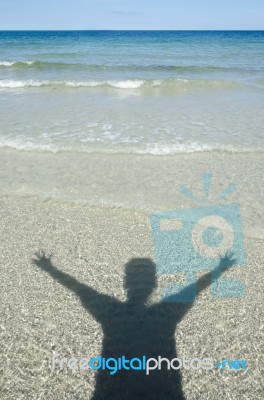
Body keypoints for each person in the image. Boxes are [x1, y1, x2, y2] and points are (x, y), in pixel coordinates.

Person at [33, 252, 234, 400]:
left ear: (125, 283)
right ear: (155, 284)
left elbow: (79, 289)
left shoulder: (111, 312)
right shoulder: (166, 313)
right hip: (164, 391)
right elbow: (195, 288)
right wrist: (220, 268)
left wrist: (49, 268)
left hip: (111, 392)